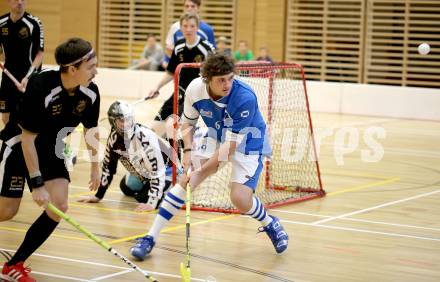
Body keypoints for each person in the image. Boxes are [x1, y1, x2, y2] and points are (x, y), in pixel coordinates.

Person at [129, 53, 289, 261]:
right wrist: (187, 151)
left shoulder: (244, 97)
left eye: (230, 78)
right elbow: (187, 124)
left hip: (249, 142)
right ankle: (149, 238)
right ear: (207, 79)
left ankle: (270, 223)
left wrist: (200, 169)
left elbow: (229, 148)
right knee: (185, 183)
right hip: (216, 134)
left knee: (239, 198)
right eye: (221, 80)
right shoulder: (195, 89)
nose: (227, 84)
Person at [1, 38, 100, 282]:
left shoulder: (90, 92)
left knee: (59, 205)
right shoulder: (41, 86)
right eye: (91, 66)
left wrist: (95, 167)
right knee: (6, 211)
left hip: (51, 148)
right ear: (73, 69)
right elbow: (27, 139)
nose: (96, 71)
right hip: (19, 145)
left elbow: (90, 131)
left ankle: (14, 264)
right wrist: (36, 183)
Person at [78, 100, 174, 212]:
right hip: (145, 170)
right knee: (125, 188)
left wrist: (152, 203)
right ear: (113, 121)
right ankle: (151, 187)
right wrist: (98, 196)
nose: (126, 124)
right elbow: (108, 168)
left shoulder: (145, 137)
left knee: (144, 199)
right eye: (121, 121)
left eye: (128, 119)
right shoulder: (114, 139)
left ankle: (170, 186)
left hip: (168, 169)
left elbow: (158, 170)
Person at [147, 12, 215, 142]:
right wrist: (156, 87)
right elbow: (171, 72)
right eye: (185, 26)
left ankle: (174, 161)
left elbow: (214, 75)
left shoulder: (206, 48)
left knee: (170, 127)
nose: (188, 29)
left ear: (197, 27)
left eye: (192, 26)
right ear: (180, 27)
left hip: (196, 97)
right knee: (155, 129)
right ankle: (168, 156)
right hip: (179, 93)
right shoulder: (178, 46)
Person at [0, 0, 44, 126]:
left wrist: (28, 77)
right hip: (8, 76)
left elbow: (40, 54)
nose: (20, 2)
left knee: (27, 118)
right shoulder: (1, 23)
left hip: (30, 77)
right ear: (8, 1)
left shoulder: (35, 23)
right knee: (6, 118)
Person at [163, 0, 215, 68]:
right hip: (180, 67)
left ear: (198, 8)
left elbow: (212, 53)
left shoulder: (207, 29)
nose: (189, 9)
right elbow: (169, 48)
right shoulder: (175, 27)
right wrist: (167, 61)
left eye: (192, 6)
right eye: (187, 6)